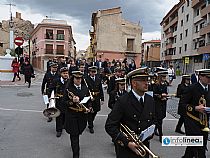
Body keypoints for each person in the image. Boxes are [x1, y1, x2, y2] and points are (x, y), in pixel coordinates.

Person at [105, 67, 156, 158]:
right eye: (143, 80)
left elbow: (153, 121)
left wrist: (151, 133)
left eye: (147, 80)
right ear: (134, 83)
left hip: (143, 147)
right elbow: (110, 125)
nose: (147, 83)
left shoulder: (150, 100)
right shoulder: (123, 101)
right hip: (126, 150)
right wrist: (127, 142)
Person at [181, 69, 210, 158]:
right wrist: (195, 108)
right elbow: (182, 104)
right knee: (198, 147)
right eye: (207, 77)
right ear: (200, 77)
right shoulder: (192, 88)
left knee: (193, 147)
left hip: (204, 122)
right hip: (192, 121)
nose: (209, 79)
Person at [63, 71, 91, 158]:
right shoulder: (68, 89)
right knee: (74, 135)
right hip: (72, 115)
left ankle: (75, 145)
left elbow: (88, 99)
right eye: (77, 78)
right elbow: (64, 102)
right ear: (73, 79)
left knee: (79, 132)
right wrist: (72, 101)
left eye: (80, 78)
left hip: (82, 115)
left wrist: (89, 107)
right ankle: (76, 154)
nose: (78, 80)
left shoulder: (85, 88)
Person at [50, 67, 69, 137]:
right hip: (59, 100)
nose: (65, 75)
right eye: (64, 73)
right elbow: (51, 89)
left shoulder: (70, 81)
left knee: (65, 114)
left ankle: (63, 125)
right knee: (59, 115)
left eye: (66, 73)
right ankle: (58, 130)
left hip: (67, 101)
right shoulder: (56, 81)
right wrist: (50, 97)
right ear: (61, 74)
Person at [85, 66, 104, 133]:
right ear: (89, 72)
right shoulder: (86, 79)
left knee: (96, 110)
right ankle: (91, 126)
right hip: (89, 97)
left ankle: (90, 120)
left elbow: (100, 89)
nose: (93, 73)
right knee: (90, 111)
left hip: (96, 97)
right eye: (92, 72)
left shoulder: (98, 79)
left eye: (94, 72)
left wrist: (102, 98)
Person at [153, 68, 169, 142]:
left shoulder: (165, 84)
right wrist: (160, 96)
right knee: (159, 120)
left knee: (161, 117)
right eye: (163, 77)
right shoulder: (156, 85)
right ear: (159, 77)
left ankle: (155, 129)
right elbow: (154, 95)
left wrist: (166, 97)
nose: (164, 78)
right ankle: (161, 135)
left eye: (165, 77)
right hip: (157, 104)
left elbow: (166, 93)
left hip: (163, 103)